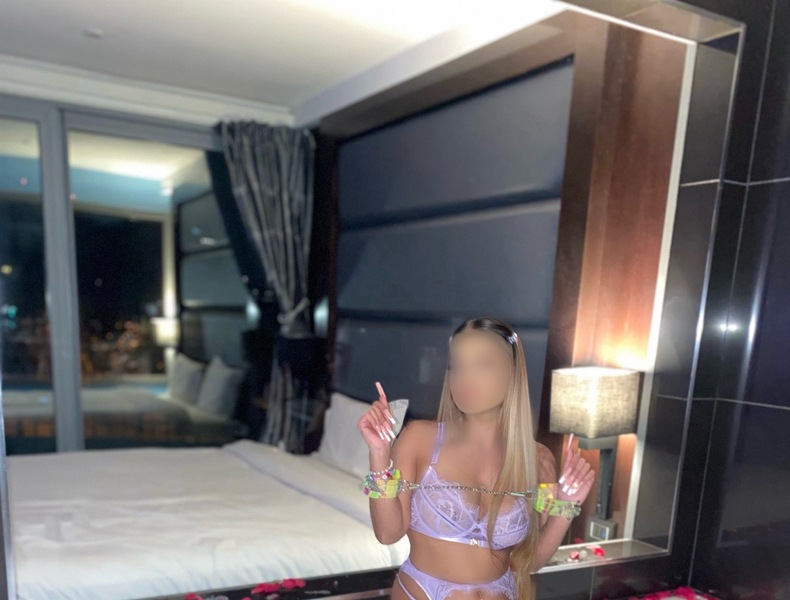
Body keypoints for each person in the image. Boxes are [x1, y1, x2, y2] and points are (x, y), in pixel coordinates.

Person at [357, 317, 595, 600]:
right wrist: (379, 455)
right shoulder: (419, 439)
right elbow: (388, 533)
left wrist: (565, 507)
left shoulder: (539, 460)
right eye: (456, 366)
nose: (465, 379)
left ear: (513, 373)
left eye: (482, 364)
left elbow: (528, 562)